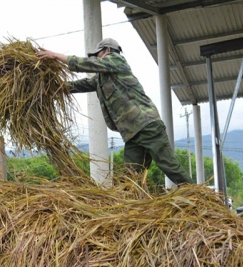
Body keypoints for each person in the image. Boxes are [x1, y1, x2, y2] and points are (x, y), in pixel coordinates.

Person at [36, 38, 193, 185]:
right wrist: (51, 89)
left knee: (169, 166)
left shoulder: (117, 61)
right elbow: (80, 84)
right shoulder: (101, 79)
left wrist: (55, 56)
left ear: (108, 50)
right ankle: (133, 210)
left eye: (98, 55)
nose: (97, 59)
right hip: (132, 134)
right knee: (131, 180)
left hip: (147, 125)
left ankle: (198, 196)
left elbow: (85, 64)